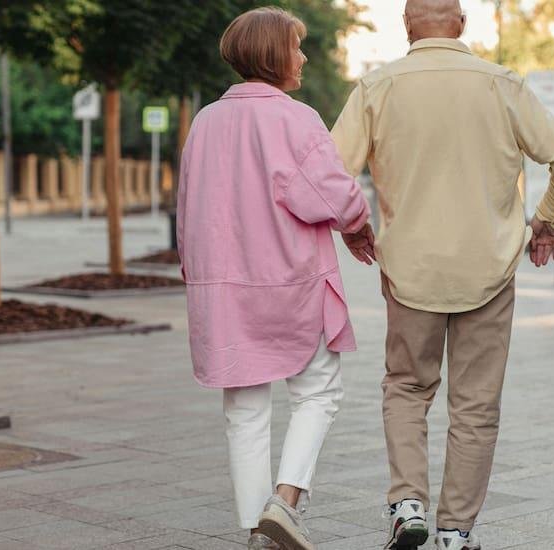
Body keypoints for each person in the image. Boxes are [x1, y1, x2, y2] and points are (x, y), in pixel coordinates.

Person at [330, 0, 554, 548]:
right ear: (462, 25)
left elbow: (331, 174)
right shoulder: (502, 84)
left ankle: (407, 504)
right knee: (475, 406)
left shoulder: (378, 87)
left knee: (406, 388)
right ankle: (455, 533)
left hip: (410, 271)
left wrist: (355, 226)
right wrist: (544, 223)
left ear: (406, 27)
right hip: (488, 271)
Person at [176, 7, 377, 550]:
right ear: (273, 55)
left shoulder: (204, 122)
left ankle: (256, 531)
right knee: (318, 389)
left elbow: (187, 208)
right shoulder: (296, 119)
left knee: (243, 406)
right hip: (289, 283)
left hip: (223, 289)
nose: (303, 57)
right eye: (296, 46)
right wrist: (356, 227)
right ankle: (283, 504)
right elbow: (331, 193)